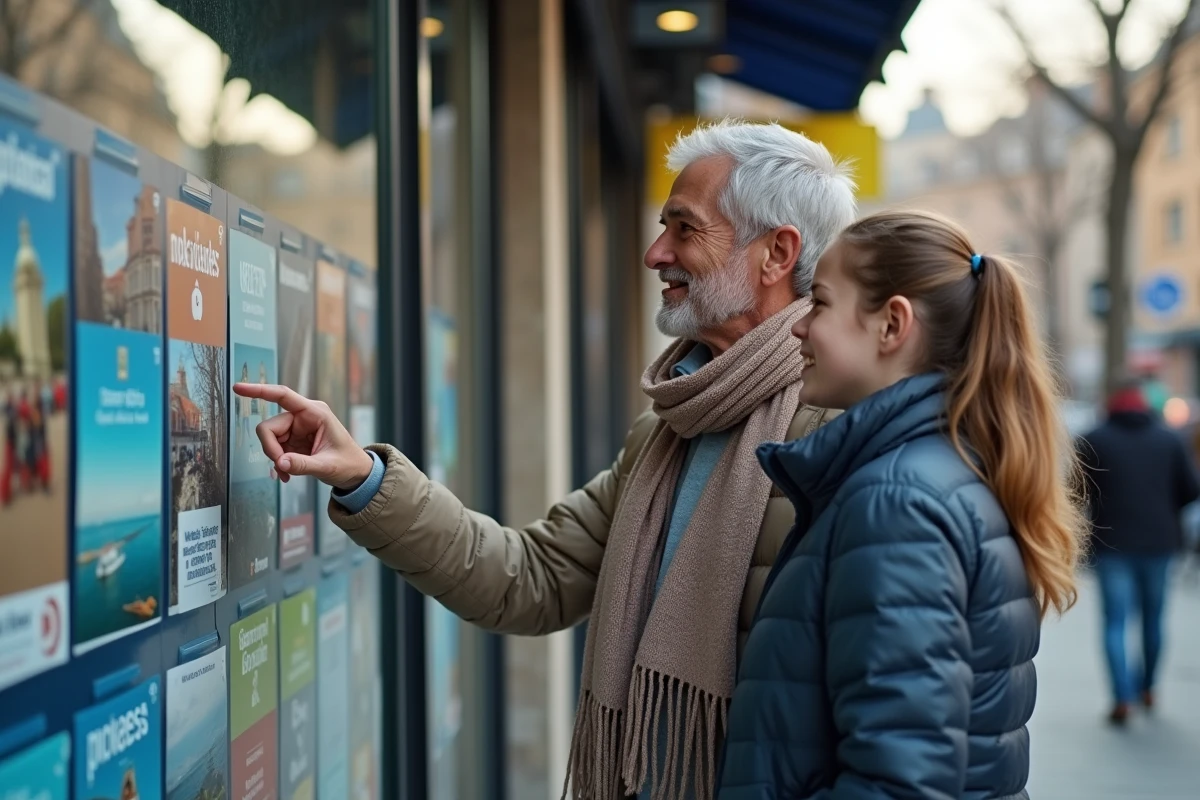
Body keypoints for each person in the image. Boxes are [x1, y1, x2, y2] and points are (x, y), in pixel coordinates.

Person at [235, 119, 858, 800]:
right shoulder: (664, 432)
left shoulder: (839, 440)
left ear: (776, 254)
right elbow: (527, 578)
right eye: (663, 226)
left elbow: (879, 719)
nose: (655, 253)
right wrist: (366, 478)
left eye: (684, 228)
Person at [717, 211, 1087, 799]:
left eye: (820, 303)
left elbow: (898, 784)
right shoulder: (935, 472)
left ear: (892, 324)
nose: (798, 328)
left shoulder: (896, 503)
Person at [1077, 378, 1200, 724]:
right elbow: (1191, 490)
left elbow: (1075, 492)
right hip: (1159, 544)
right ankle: (1147, 687)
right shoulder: (1169, 439)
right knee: (1153, 619)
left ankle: (1122, 696)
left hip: (1111, 544)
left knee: (1115, 622)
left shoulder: (1094, 438)